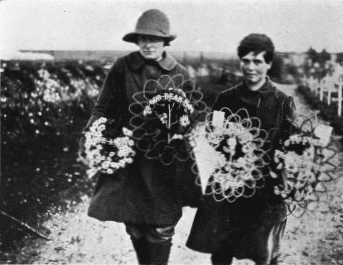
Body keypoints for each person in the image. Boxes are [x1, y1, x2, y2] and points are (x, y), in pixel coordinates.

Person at [79, 9, 202, 265]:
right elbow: (103, 107)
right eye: (143, 38)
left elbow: (192, 114)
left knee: (161, 225)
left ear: (165, 41)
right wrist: (91, 135)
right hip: (129, 157)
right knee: (134, 222)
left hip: (164, 160)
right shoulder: (122, 68)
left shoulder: (179, 73)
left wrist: (179, 125)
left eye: (154, 39)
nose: (148, 44)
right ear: (137, 41)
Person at [186, 33, 297, 265]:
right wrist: (231, 142)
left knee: (265, 255)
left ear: (268, 64)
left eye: (257, 61)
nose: (251, 67)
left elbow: (291, 143)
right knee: (221, 252)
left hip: (267, 188)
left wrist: (301, 145)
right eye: (246, 61)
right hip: (231, 185)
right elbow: (212, 133)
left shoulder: (282, 102)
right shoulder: (225, 99)